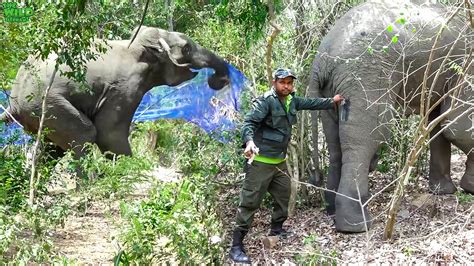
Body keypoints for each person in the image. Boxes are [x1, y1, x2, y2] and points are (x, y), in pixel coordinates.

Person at [229, 68, 344, 263]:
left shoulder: (292, 100)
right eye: (283, 82)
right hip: (260, 163)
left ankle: (276, 229)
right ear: (275, 83)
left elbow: (310, 103)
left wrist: (332, 101)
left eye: (289, 83)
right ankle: (236, 246)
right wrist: (249, 142)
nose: (286, 86)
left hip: (279, 163)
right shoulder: (266, 101)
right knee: (250, 203)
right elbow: (249, 123)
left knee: (284, 196)